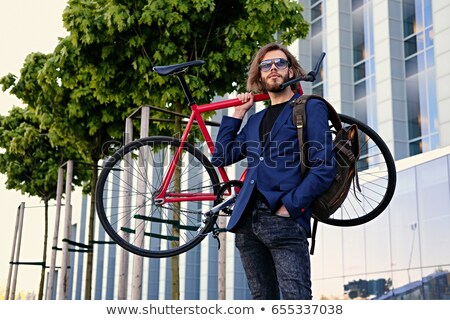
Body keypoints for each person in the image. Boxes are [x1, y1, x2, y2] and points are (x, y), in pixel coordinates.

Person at [210, 43, 336, 300]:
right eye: (266, 65)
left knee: (296, 300)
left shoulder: (310, 107)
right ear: (259, 76)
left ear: (291, 71)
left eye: (280, 63)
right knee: (261, 301)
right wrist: (237, 114)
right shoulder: (255, 120)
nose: (273, 68)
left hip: (284, 218)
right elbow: (221, 156)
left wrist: (291, 206)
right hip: (245, 223)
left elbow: (324, 167)